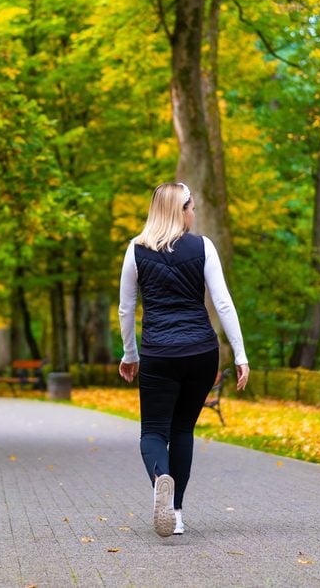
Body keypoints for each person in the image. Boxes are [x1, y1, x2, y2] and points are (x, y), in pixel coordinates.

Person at [117, 181, 250, 537]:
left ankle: (161, 478)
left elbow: (126, 309)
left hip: (159, 353)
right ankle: (175, 514)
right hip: (201, 352)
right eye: (191, 208)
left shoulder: (135, 250)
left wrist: (131, 354)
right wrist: (240, 354)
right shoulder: (203, 247)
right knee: (182, 429)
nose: (193, 214)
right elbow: (223, 303)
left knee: (153, 432)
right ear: (180, 210)